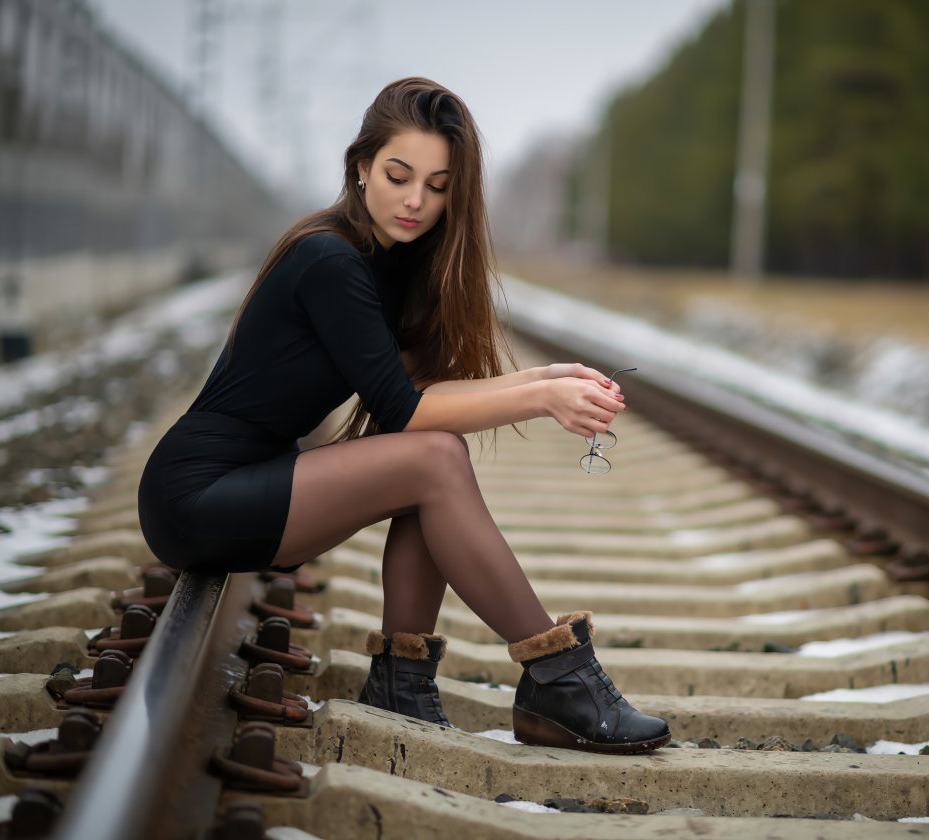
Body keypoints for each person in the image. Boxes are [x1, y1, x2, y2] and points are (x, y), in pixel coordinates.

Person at [137, 77, 670, 754]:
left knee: (435, 456)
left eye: (438, 184)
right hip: (197, 493)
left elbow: (424, 398)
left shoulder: (389, 268)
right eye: (398, 175)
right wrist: (538, 397)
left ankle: (403, 681)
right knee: (435, 455)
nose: (416, 200)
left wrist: (546, 376)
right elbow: (404, 410)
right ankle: (558, 676)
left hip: (255, 478)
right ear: (361, 168)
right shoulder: (327, 257)